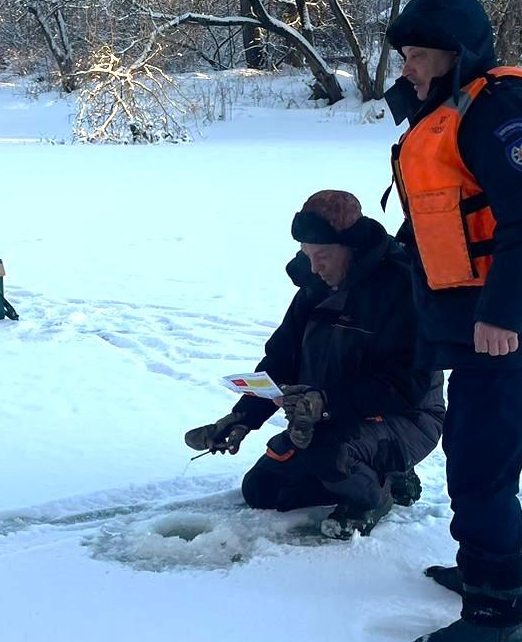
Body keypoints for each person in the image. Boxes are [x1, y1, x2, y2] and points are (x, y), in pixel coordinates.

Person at [383, 0, 522, 642]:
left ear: (453, 52)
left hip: (517, 310)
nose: (405, 66)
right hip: (480, 308)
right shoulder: (449, 105)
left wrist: (502, 315)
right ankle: (480, 565)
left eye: (415, 54)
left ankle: (496, 606)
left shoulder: (500, 109)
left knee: (482, 458)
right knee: (470, 440)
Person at [185, 190, 445, 538]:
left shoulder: (400, 288)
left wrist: (325, 402)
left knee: (328, 452)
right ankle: (371, 473)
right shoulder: (314, 287)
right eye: (307, 255)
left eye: (322, 256)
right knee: (262, 491)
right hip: (330, 417)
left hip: (408, 418)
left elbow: (406, 385)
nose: (313, 266)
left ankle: (376, 494)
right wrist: (243, 417)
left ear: (351, 248)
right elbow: (281, 360)